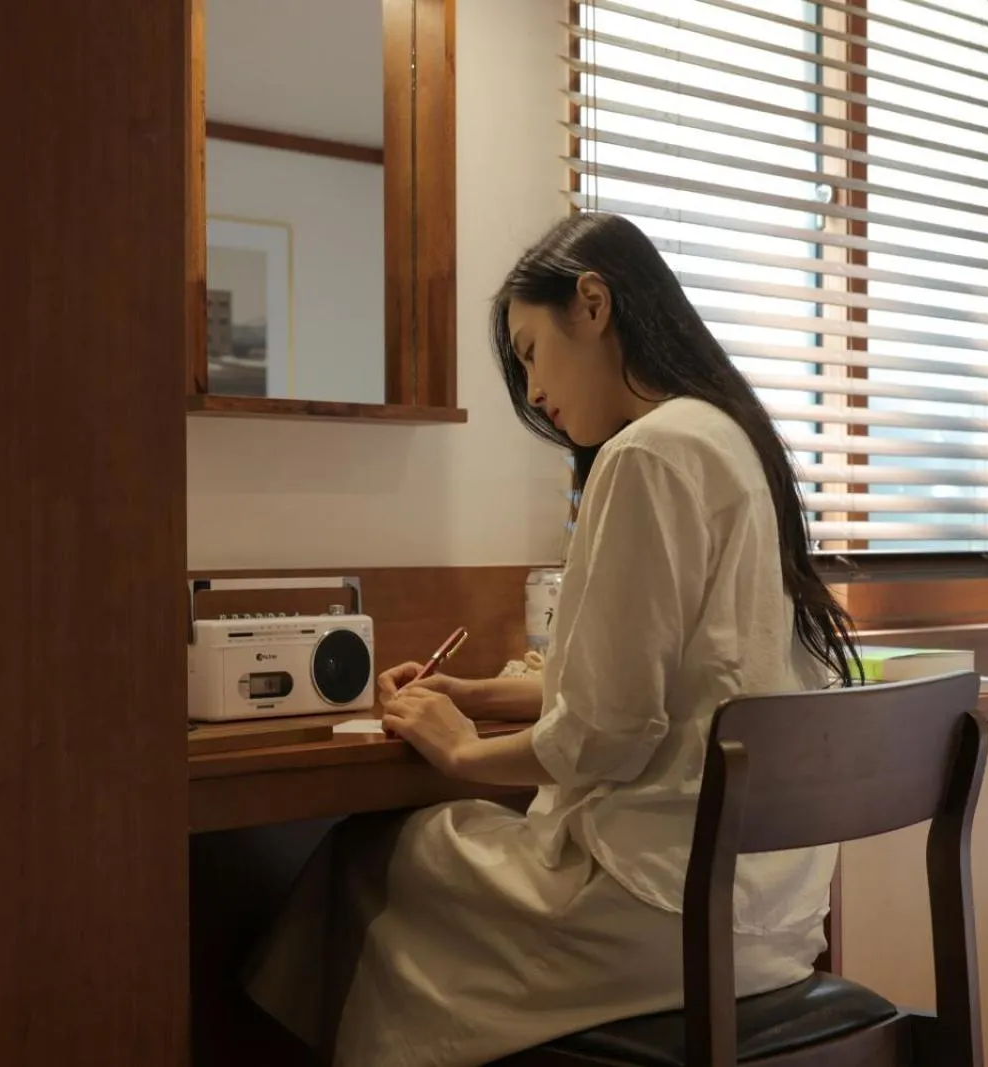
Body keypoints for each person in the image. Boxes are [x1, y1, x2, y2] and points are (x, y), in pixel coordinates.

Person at [242, 212, 862, 1067]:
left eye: (531, 351)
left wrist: (460, 753)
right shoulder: (728, 438)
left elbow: (607, 734)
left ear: (593, 303)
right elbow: (676, 686)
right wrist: (473, 696)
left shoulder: (643, 456)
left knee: (375, 850)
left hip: (658, 911)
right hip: (773, 913)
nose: (532, 392)